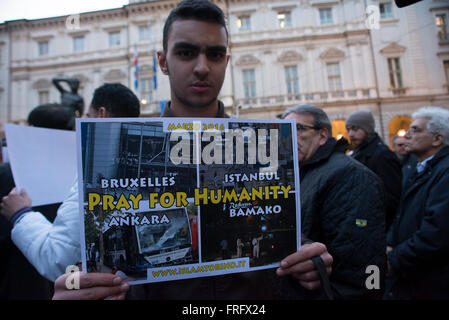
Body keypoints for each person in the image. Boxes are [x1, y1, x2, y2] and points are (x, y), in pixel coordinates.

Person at [52, 0, 333, 300]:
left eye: (215, 54)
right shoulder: (118, 159)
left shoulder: (263, 148)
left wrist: (311, 262)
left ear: (226, 61)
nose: (202, 67)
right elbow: (90, 269)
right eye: (186, 53)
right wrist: (78, 290)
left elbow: (281, 234)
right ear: (162, 61)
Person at [0, 83, 140, 283]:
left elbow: (59, 260)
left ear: (101, 114)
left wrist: (20, 214)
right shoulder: (136, 161)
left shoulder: (97, 170)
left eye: (88, 117)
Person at [282, 104, 386, 299]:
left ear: (322, 136)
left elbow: (362, 268)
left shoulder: (350, 175)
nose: (288, 137)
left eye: (299, 129)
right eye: (285, 131)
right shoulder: (301, 170)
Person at [0, 103, 76, 299]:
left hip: (22, 279)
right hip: (72, 282)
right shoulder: (85, 171)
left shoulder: (9, 174)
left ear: (31, 129)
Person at [386, 106, 449, 299]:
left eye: (416, 130)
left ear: (437, 139)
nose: (407, 136)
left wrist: (393, 258)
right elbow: (402, 214)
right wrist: (390, 243)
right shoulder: (419, 168)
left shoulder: (444, 172)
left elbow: (437, 233)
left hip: (432, 281)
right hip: (413, 275)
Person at [346, 109, 402, 231]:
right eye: (348, 130)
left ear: (368, 129)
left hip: (378, 225)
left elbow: (391, 198)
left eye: (355, 129)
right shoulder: (358, 152)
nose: (350, 134)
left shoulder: (382, 155)